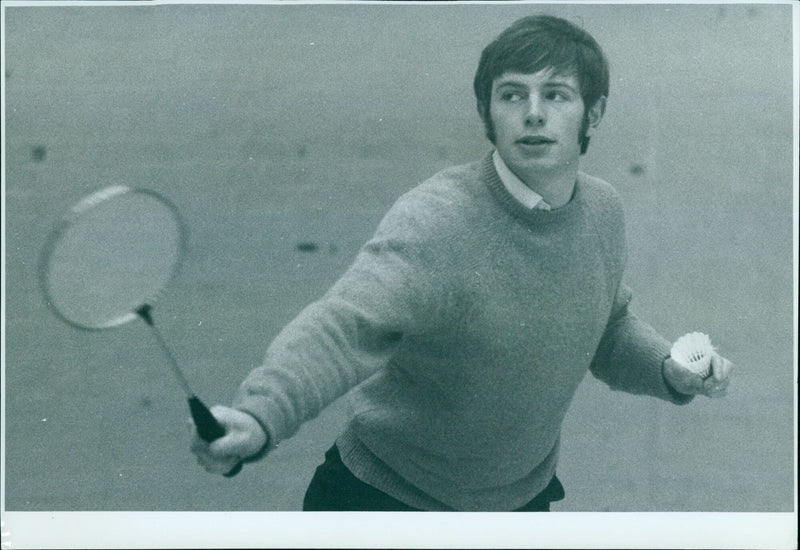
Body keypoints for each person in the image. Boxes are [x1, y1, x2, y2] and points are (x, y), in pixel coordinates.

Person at [190, 14, 734, 511]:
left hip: (518, 506)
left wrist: (667, 368)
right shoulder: (438, 221)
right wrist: (261, 414)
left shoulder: (601, 211)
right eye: (513, 94)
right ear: (487, 113)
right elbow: (343, 325)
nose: (535, 113)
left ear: (593, 112)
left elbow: (606, 326)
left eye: (557, 94)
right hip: (385, 500)